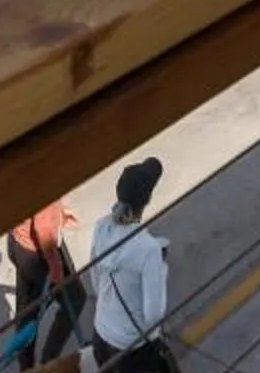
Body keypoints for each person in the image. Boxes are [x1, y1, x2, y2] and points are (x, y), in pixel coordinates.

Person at [88, 157, 174, 371]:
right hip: (131, 350)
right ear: (147, 200)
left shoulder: (101, 227)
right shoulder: (149, 249)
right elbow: (153, 316)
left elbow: (96, 282)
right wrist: (161, 269)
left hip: (101, 336)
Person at [2, 200, 84, 369]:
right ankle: (48, 361)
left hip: (19, 242)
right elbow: (43, 229)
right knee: (75, 298)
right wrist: (56, 269)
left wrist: (58, 214)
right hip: (37, 255)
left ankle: (26, 367)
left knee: (27, 312)